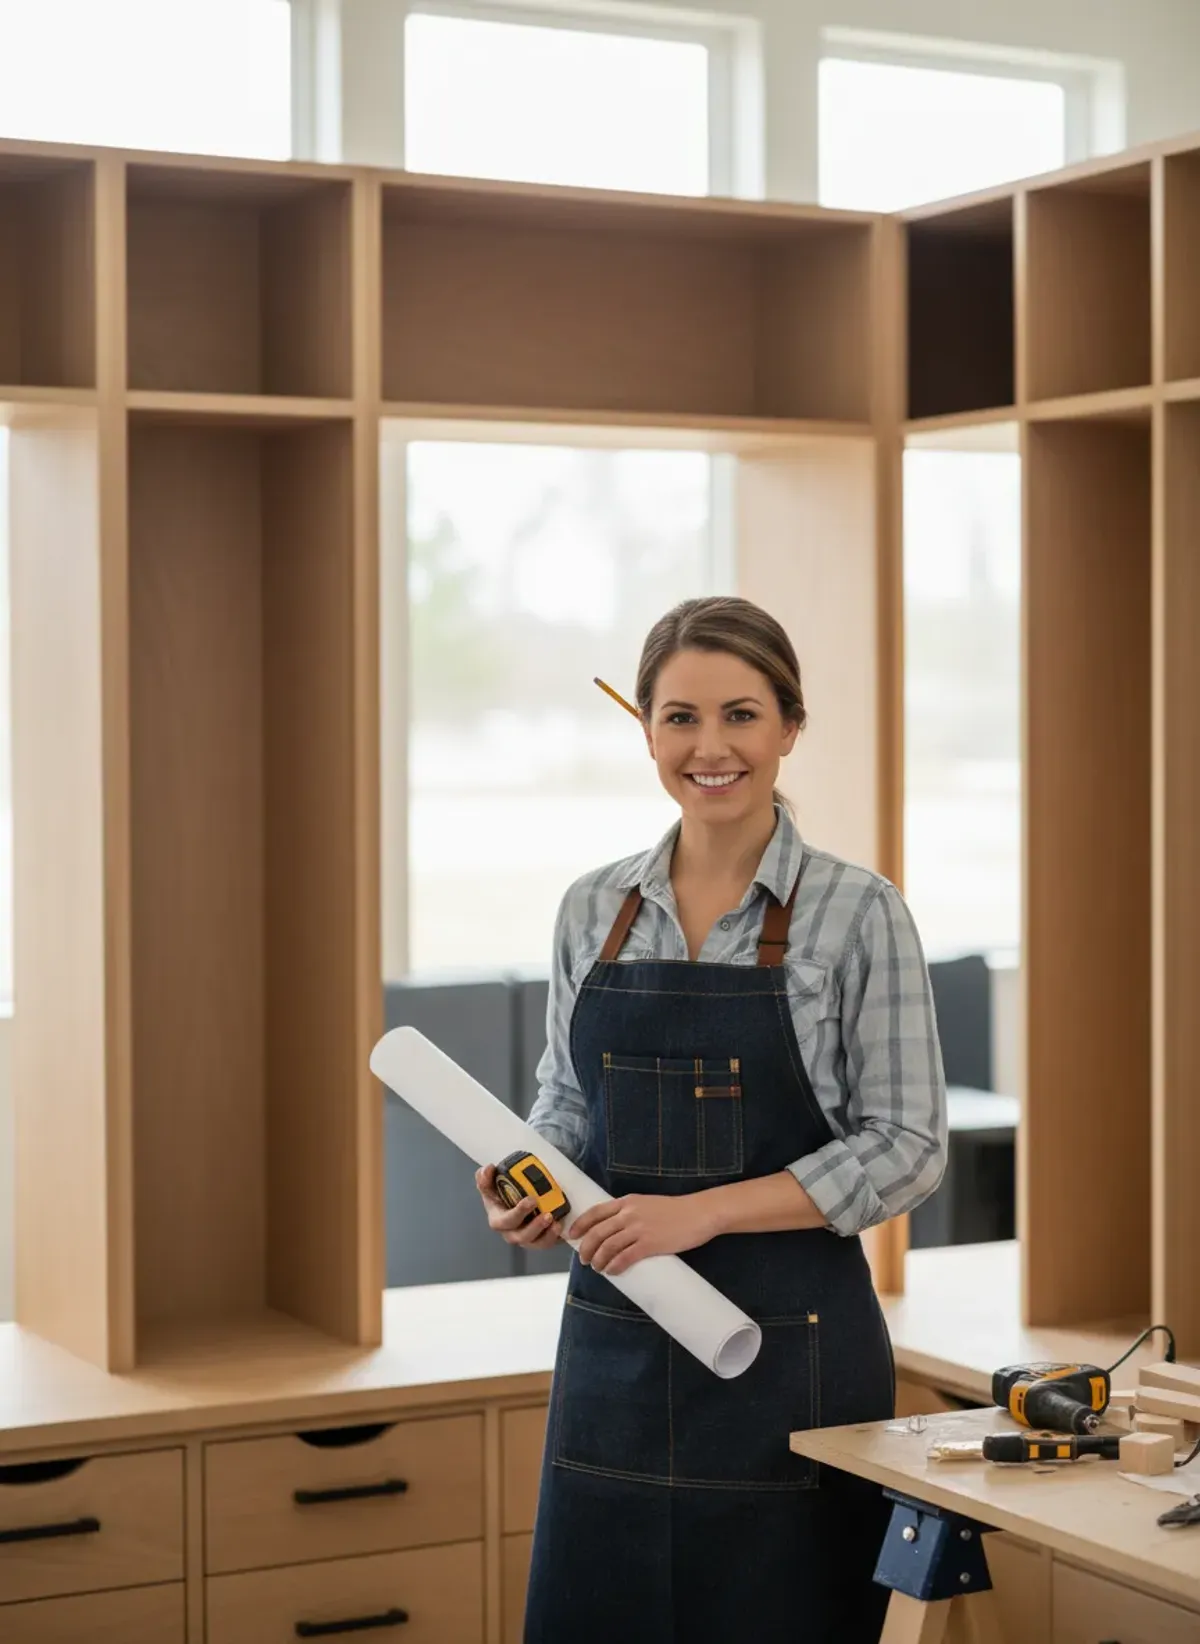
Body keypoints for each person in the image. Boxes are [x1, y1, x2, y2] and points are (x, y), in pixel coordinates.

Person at [475, 595, 948, 1644]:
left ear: (790, 728)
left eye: (741, 715)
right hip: (614, 1358)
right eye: (680, 717)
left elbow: (909, 1148)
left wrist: (704, 1214)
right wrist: (528, 1178)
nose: (710, 748)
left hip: (795, 1368)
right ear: (645, 730)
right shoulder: (592, 909)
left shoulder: (859, 912)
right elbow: (566, 1101)